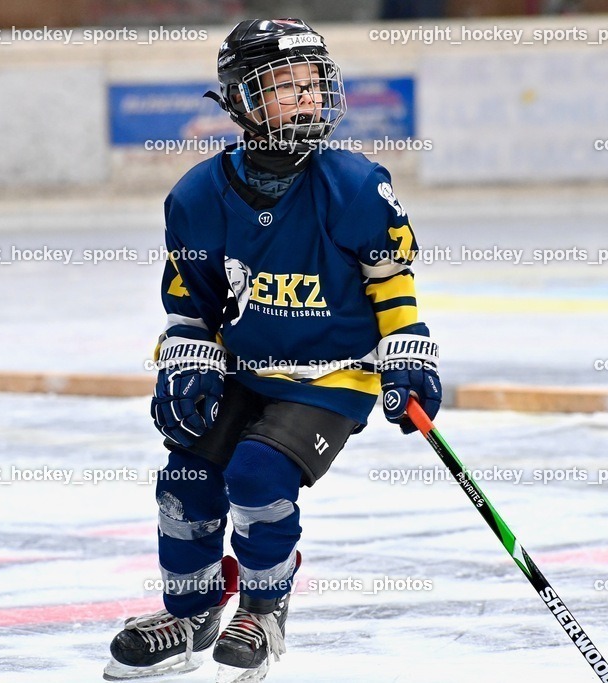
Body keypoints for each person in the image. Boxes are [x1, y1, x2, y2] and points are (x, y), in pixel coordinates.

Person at [104, 18, 441, 683]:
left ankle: (263, 609)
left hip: (331, 376)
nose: (307, 99)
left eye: (312, 84)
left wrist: (406, 349)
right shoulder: (199, 196)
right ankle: (192, 613)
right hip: (242, 368)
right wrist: (186, 359)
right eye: (284, 87)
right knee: (185, 482)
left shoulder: (353, 183)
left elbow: (389, 278)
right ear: (243, 101)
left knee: (258, 476)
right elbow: (190, 301)